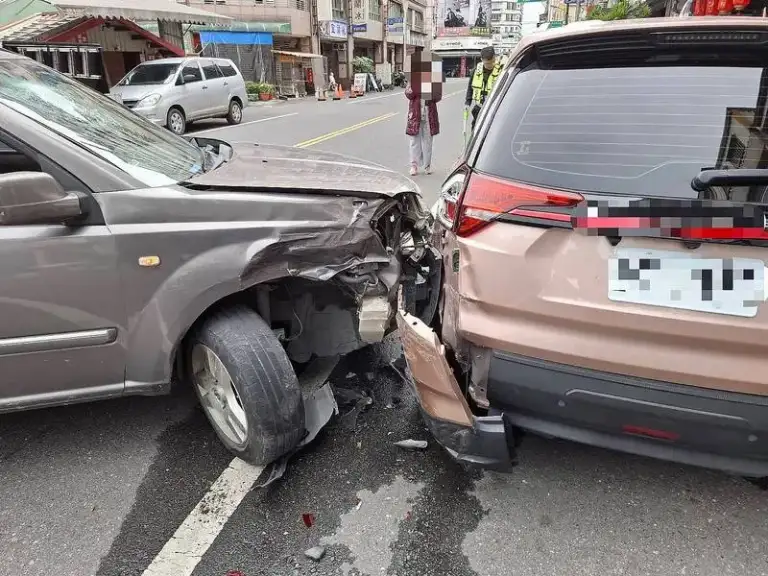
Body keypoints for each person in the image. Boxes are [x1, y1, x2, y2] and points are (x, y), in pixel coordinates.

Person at [405, 69, 441, 176]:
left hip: (429, 115)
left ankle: (427, 166)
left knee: (428, 141)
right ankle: (414, 166)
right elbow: (408, 94)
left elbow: (438, 96)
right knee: (414, 141)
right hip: (415, 116)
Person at [464, 46, 502, 132]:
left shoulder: (501, 70)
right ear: (482, 59)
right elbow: (470, 87)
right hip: (479, 107)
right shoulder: (476, 71)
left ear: (494, 58)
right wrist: (467, 102)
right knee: (475, 130)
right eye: (487, 63)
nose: (489, 65)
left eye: (492, 62)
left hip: (494, 108)